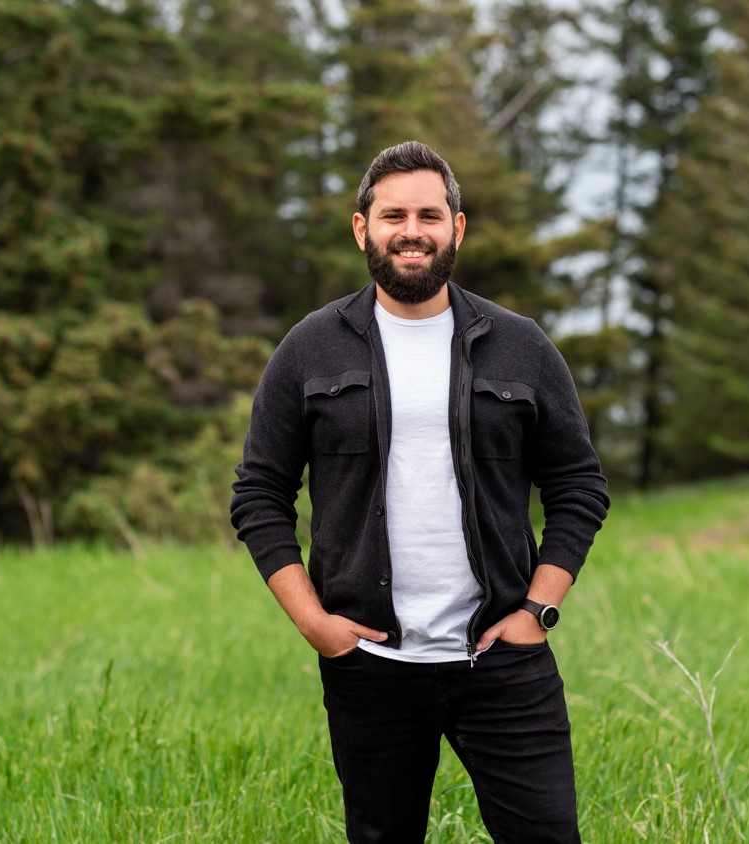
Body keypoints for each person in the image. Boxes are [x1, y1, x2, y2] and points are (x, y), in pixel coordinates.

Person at [230, 141, 609, 844]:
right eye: (393, 215)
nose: (412, 230)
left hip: (503, 658)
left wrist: (539, 611)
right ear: (362, 229)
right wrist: (314, 623)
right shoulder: (309, 350)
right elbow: (259, 495)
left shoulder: (521, 347)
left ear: (457, 228)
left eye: (430, 215)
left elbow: (578, 485)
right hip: (370, 666)